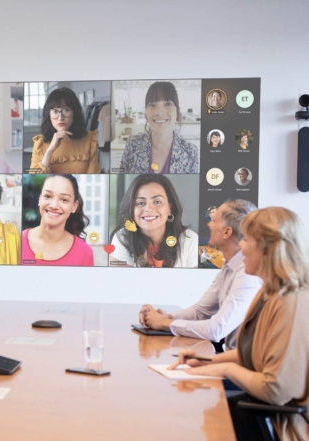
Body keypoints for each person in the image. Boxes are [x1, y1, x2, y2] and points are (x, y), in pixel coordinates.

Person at [170, 207, 309, 441]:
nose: (241, 246)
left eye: (246, 239)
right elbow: (252, 353)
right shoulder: (268, 293)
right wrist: (204, 361)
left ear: (267, 248)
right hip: (263, 411)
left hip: (282, 423)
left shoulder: (290, 302)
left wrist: (225, 369)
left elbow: (276, 390)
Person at [138, 200, 262, 348]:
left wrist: (164, 323)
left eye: (214, 220)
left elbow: (217, 329)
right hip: (230, 359)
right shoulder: (229, 266)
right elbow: (200, 311)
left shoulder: (248, 273)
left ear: (227, 232)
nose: (209, 224)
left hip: (242, 365)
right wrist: (165, 317)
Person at [109, 174, 198, 268]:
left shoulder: (190, 240)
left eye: (157, 202)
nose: (148, 208)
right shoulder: (123, 237)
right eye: (141, 203)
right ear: (131, 210)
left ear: (170, 208)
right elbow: (120, 281)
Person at [120, 82, 199, 174]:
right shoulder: (132, 145)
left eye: (168, 104)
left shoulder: (191, 152)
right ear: (146, 113)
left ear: (177, 111)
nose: (159, 112)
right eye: (152, 105)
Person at [22, 175, 94, 266]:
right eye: (48, 196)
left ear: (74, 206)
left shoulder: (85, 252)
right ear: (40, 199)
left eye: (64, 199)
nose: (54, 205)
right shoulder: (15, 242)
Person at [29, 88, 99, 174]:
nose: (60, 118)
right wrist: (50, 150)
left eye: (66, 110)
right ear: (49, 115)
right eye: (55, 111)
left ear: (74, 113)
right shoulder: (39, 143)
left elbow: (93, 174)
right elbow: (33, 178)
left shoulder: (90, 139)